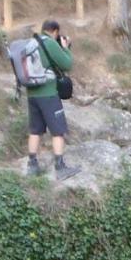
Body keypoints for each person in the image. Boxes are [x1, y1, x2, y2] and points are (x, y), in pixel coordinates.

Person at [26, 19, 79, 180]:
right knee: (58, 130)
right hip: (48, 93)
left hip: (32, 93)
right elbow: (67, 64)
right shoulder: (50, 43)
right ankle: (60, 167)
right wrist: (65, 48)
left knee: (35, 130)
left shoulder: (31, 42)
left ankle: (32, 165)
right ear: (55, 31)